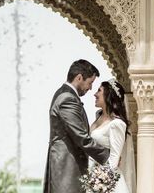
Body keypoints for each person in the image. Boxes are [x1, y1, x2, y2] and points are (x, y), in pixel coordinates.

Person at [43, 59, 110, 193]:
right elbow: (81, 137)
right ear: (79, 77)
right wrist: (107, 155)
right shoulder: (67, 98)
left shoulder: (64, 94)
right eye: (90, 83)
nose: (90, 88)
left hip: (67, 169)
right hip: (66, 171)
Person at [90, 78, 136, 193]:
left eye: (99, 91)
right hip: (93, 173)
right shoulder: (98, 116)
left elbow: (114, 159)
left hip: (106, 182)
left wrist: (100, 183)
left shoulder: (117, 124)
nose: (95, 94)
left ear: (108, 96)